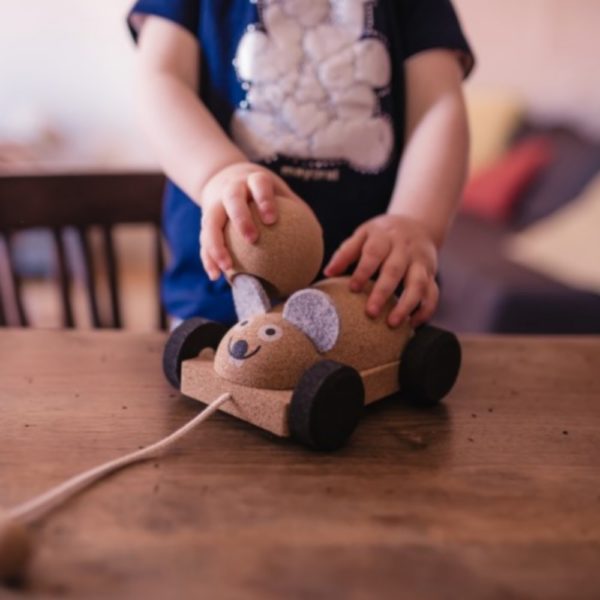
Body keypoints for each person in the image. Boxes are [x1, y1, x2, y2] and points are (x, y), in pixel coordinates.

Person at [127, 0, 474, 328]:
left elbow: (438, 106)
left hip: (376, 303)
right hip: (222, 301)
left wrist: (415, 221)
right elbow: (161, 79)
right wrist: (218, 171)